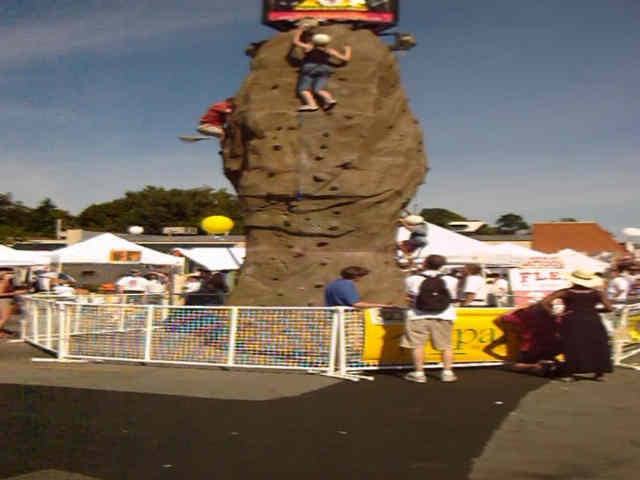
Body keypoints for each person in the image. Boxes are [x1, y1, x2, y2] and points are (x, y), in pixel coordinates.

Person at [541, 269, 614, 382]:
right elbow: (610, 308)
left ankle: (569, 374)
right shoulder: (597, 293)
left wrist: (554, 314)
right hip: (593, 320)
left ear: (574, 280)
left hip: (572, 320)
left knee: (572, 346)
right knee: (596, 345)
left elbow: (545, 302)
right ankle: (599, 373)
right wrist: (595, 311)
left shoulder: (566, 292)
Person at [400, 255, 458, 383]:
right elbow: (452, 297)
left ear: (425, 263)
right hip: (445, 314)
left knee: (417, 345)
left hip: (417, 314)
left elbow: (410, 297)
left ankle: (419, 373)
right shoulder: (452, 280)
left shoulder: (412, 279)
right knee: (446, 345)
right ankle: (447, 372)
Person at [490, 303, 563, 376]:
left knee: (507, 365)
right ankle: (551, 363)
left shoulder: (526, 318)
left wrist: (519, 307)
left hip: (530, 349)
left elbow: (498, 319)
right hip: (549, 349)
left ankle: (534, 366)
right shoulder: (556, 319)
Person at [293, 25, 352, 112]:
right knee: (319, 89)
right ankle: (329, 100)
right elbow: (345, 59)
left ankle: (312, 104)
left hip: (310, 67)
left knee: (304, 89)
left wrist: (299, 30)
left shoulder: (309, 47)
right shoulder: (329, 50)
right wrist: (348, 50)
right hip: (325, 68)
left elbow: (296, 42)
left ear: (314, 41)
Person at [324, 266, 390, 308]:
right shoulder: (348, 284)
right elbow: (356, 304)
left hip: (331, 316)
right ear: (356, 276)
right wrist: (383, 306)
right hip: (344, 318)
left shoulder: (331, 284)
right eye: (361, 276)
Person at [0, 268, 16, 337]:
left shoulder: (6, 282)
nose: (12, 275)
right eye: (10, 273)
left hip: (5, 300)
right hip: (4, 300)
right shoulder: (3, 282)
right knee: (4, 318)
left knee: (3, 318)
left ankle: (1, 332)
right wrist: (14, 293)